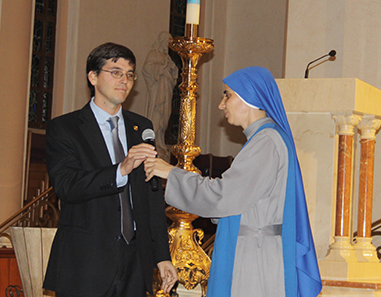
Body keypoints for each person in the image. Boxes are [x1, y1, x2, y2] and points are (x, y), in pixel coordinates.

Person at [144, 66, 322, 297]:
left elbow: (224, 196)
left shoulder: (266, 142)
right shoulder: (263, 140)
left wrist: (171, 173)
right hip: (253, 249)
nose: (221, 104)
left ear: (251, 96)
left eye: (227, 94)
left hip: (254, 258)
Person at [43, 42, 177, 297]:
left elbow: (151, 196)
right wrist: (121, 170)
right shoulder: (65, 128)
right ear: (93, 77)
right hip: (86, 263)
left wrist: (161, 256)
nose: (124, 80)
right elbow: (67, 186)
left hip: (134, 262)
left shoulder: (142, 126)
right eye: (115, 72)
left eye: (129, 74)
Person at [142, 31, 178, 161]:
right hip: (157, 92)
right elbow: (147, 69)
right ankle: (153, 144)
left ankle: (160, 144)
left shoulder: (167, 57)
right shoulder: (154, 54)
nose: (166, 45)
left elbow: (174, 73)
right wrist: (160, 69)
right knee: (156, 116)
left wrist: (171, 69)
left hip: (166, 90)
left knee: (164, 119)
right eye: (165, 42)